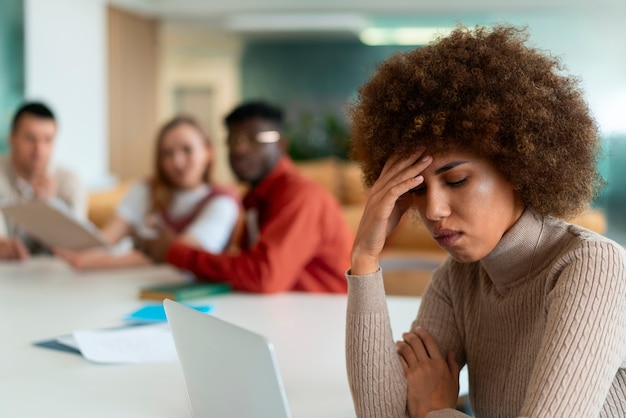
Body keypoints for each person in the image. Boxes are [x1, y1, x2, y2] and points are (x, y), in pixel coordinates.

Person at [346, 24, 626, 417]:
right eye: (419, 189)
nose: (433, 210)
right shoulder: (459, 277)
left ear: (514, 166)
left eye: (456, 180)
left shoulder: (591, 265)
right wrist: (364, 257)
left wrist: (435, 412)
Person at [140, 101, 352, 293]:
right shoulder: (253, 200)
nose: (239, 149)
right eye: (233, 140)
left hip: (326, 318)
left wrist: (175, 252)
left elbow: (264, 276)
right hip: (283, 311)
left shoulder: (302, 197)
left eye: (254, 139)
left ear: (281, 145)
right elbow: (246, 269)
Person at [55, 116, 240, 269]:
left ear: (208, 151)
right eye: (167, 153)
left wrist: (97, 262)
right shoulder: (145, 189)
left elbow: (182, 255)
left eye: (187, 150)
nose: (177, 161)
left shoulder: (223, 202)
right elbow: (108, 238)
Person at [0, 101, 86, 260]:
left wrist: (50, 208)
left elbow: (76, 249)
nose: (39, 150)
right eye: (30, 138)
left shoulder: (69, 183)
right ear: (12, 138)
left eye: (48, 140)